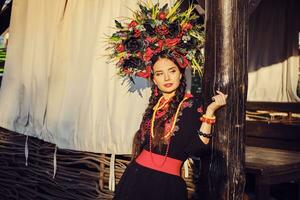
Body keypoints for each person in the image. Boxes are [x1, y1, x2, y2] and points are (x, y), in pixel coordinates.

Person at [107, 2, 227, 199]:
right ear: (153, 78)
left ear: (181, 74)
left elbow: (198, 147)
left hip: (167, 185)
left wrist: (210, 112)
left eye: (172, 71)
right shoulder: (154, 105)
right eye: (160, 74)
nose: (167, 78)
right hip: (135, 178)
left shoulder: (191, 105)